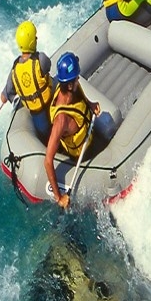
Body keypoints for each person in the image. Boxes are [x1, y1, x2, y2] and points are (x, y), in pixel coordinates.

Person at [45, 51, 101, 210]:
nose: (78, 79)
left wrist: (90, 104)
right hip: (83, 153)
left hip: (88, 133)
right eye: (76, 78)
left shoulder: (69, 89)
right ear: (69, 84)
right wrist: (59, 197)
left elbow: (80, 93)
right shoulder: (61, 120)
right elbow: (48, 161)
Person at [1, 21, 53, 140]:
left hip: (37, 118)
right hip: (51, 105)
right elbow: (48, 67)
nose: (37, 38)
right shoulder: (41, 59)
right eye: (35, 37)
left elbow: (4, 96)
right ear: (32, 42)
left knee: (47, 137)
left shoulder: (15, 69)